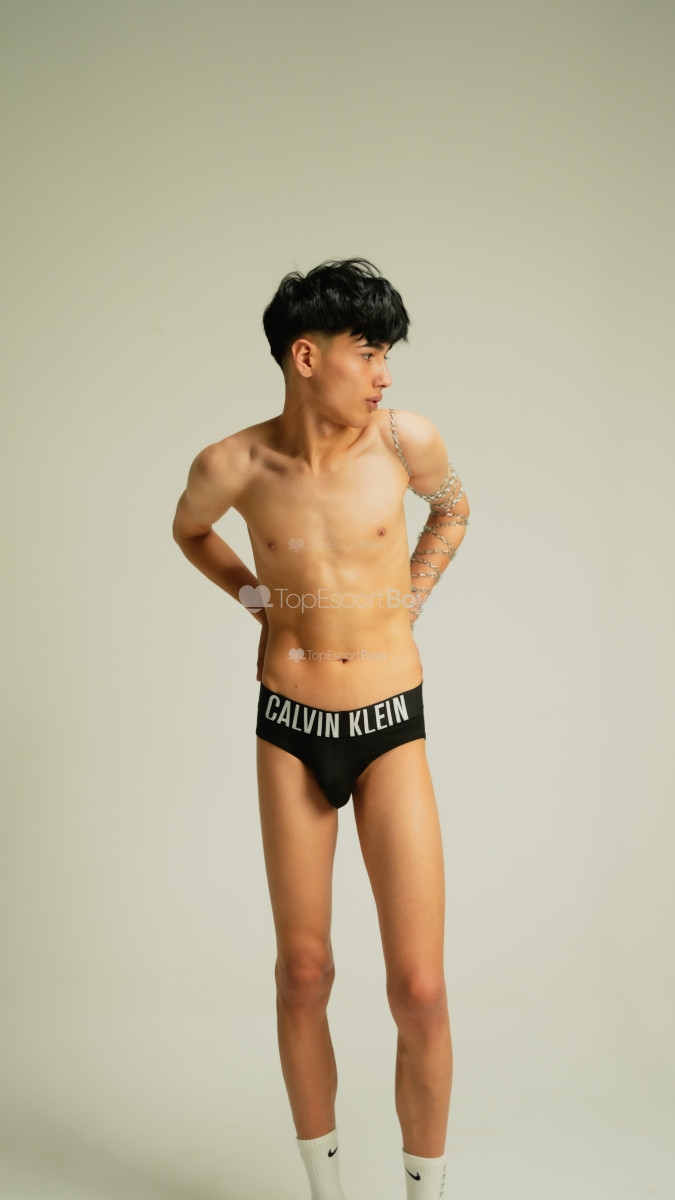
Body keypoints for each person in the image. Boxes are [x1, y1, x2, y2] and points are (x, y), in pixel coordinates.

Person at [172, 257, 470, 1200]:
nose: (384, 375)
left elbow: (453, 509)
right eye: (368, 353)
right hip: (289, 725)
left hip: (389, 724)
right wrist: (256, 601)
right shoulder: (231, 464)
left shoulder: (406, 440)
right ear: (307, 357)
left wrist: (408, 599)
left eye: (387, 356)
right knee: (302, 974)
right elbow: (190, 530)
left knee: (418, 987)